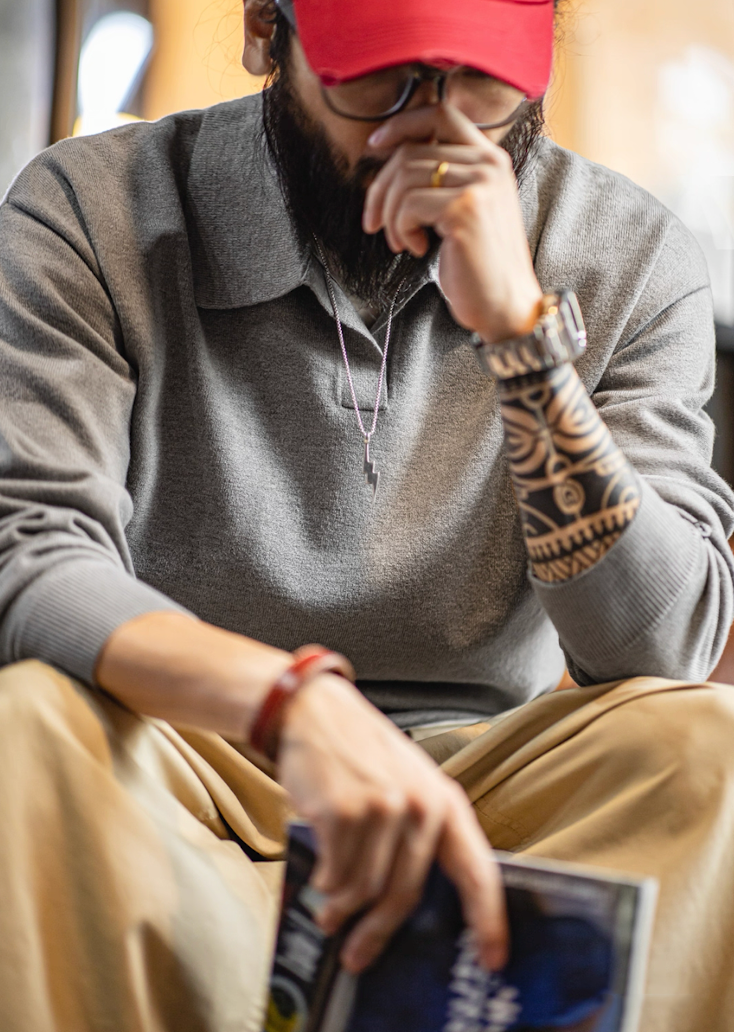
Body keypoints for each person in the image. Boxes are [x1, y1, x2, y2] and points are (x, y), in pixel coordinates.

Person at [0, 0, 733, 1028]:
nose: (433, 132)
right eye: (376, 78)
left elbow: (661, 651)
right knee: (22, 727)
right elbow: (29, 554)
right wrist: (292, 704)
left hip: (485, 786)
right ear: (267, 34)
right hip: (185, 758)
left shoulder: (628, 252)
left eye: (479, 79)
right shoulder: (91, 206)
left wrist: (521, 342)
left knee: (710, 749)